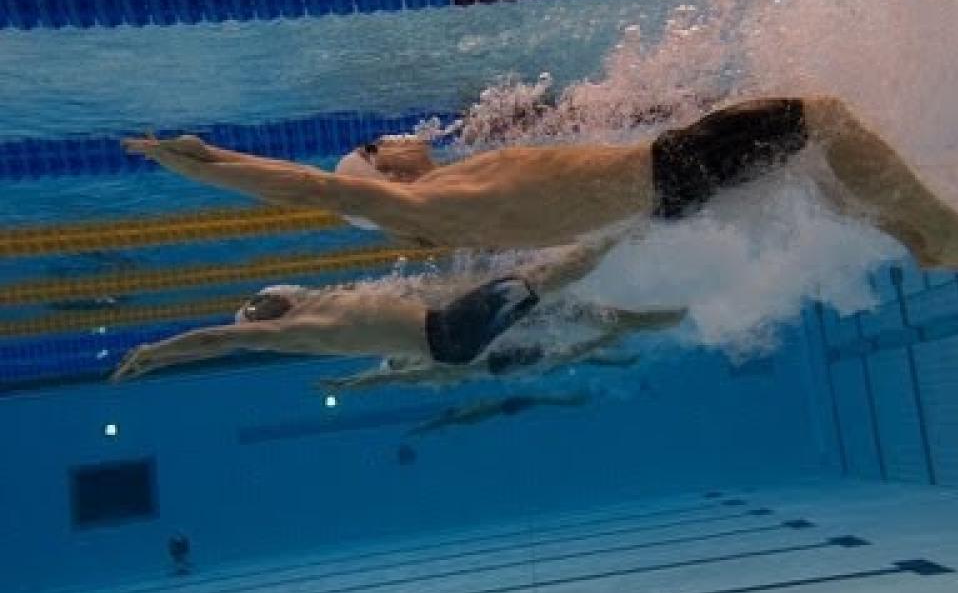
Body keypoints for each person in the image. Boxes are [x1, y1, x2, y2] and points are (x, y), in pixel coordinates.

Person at [123, 97, 958, 273]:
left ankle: (908, 237)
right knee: (819, 117)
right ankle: (944, 230)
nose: (398, 138)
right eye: (380, 144)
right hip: (667, 170)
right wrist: (205, 161)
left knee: (807, 154)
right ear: (380, 173)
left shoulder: (458, 185)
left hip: (663, 183)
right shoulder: (420, 202)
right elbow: (313, 191)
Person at [110, 237, 677, 382]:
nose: (263, 298)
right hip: (449, 335)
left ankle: (664, 305)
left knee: (552, 291)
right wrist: (157, 352)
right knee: (546, 277)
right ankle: (626, 230)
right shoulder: (298, 328)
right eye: (257, 306)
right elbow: (218, 340)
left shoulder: (322, 306)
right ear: (267, 315)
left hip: (447, 333)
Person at [318, 305, 684, 390]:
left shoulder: (418, 356)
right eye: (396, 360)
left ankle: (637, 323)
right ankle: (642, 322)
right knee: (572, 336)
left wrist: (350, 379)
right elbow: (382, 379)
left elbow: (379, 374)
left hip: (494, 350)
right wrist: (349, 385)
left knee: (570, 331)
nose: (398, 355)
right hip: (499, 359)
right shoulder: (424, 370)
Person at [405, 390, 592, 437]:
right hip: (504, 405)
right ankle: (571, 401)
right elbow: (439, 422)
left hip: (503, 407)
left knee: (538, 399)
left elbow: (438, 423)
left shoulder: (462, 417)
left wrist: (421, 430)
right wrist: (420, 429)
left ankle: (571, 401)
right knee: (538, 398)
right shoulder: (462, 417)